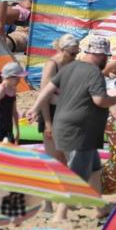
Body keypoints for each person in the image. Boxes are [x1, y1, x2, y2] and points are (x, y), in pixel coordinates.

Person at [26, 37, 116, 220]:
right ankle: (60, 214)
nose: (106, 60)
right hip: (79, 129)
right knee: (76, 172)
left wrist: (34, 108)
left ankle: (99, 207)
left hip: (66, 124)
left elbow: (47, 89)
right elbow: (100, 101)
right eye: (105, 56)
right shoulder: (92, 72)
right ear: (99, 55)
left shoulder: (72, 67)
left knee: (95, 170)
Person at [36, 34, 79, 162]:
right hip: (51, 111)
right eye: (72, 53)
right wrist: (48, 123)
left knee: (68, 157)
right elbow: (44, 96)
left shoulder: (72, 63)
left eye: (77, 53)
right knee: (54, 158)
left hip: (66, 113)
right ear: (61, 50)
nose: (75, 56)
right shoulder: (52, 65)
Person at [0, 62, 25, 143]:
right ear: (9, 77)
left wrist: (17, 130)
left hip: (8, 127)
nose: (19, 80)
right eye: (17, 78)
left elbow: (14, 111)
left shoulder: (13, 89)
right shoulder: (1, 89)